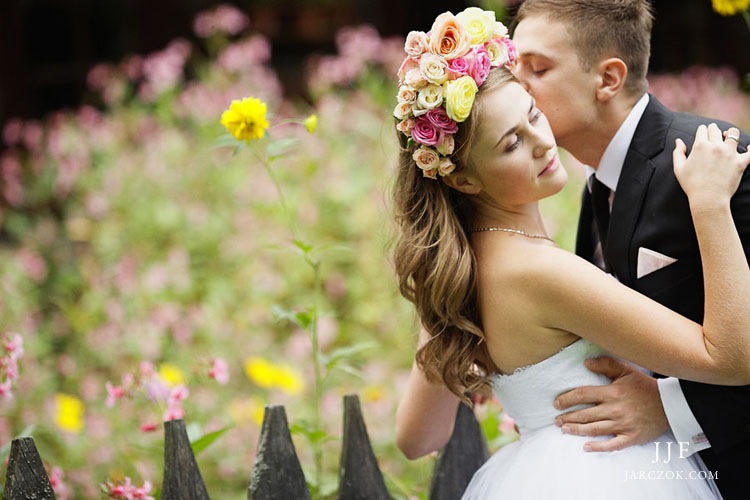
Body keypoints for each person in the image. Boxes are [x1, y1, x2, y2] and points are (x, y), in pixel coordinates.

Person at [391, 6, 750, 499]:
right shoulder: (540, 270)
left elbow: (418, 438)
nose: (543, 143)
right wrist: (709, 206)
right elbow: (730, 358)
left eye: (533, 111)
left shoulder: (457, 274)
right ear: (462, 178)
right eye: (512, 141)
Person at [510, 1, 750, 498]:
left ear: (609, 79)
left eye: (537, 68)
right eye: (513, 68)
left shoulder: (715, 162)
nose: (517, 88)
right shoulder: (597, 185)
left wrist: (669, 408)